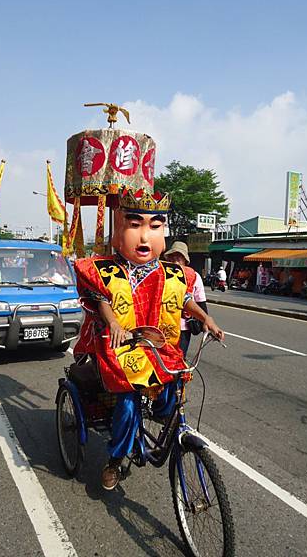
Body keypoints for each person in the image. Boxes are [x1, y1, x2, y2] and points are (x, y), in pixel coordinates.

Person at [74, 189, 224, 491]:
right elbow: (101, 297)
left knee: (175, 383)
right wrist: (113, 322)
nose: (145, 238)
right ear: (119, 230)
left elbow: (182, 301)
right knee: (128, 403)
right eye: (135, 226)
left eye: (155, 227)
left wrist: (206, 318)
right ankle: (115, 460)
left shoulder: (171, 272)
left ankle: (155, 420)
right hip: (120, 347)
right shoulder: (105, 268)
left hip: (157, 345)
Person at [163, 241, 208, 356]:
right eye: (172, 258)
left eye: (178, 258)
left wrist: (206, 322)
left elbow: (200, 302)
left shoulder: (194, 276)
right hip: (162, 326)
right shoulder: (161, 275)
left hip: (183, 328)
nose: (175, 261)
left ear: (185, 260)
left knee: (179, 361)